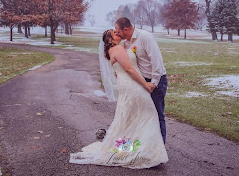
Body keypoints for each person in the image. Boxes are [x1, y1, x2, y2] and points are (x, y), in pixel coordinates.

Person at [69, 29, 168, 168]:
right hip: (132, 85)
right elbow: (128, 69)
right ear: (110, 39)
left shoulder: (112, 50)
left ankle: (130, 149)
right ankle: (146, 150)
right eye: (114, 33)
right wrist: (145, 84)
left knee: (128, 118)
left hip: (125, 84)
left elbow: (122, 68)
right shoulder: (118, 48)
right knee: (148, 114)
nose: (118, 34)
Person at [115, 17, 167, 144]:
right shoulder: (126, 43)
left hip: (156, 80)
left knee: (156, 114)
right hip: (140, 82)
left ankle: (159, 148)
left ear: (126, 29)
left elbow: (157, 62)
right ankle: (142, 146)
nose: (117, 34)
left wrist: (153, 83)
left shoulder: (145, 37)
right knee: (141, 115)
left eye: (118, 31)